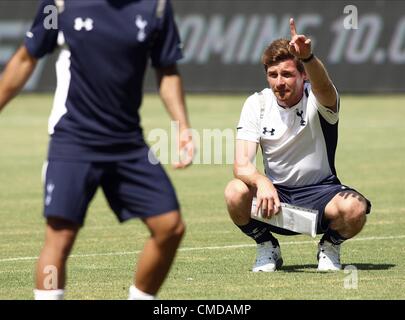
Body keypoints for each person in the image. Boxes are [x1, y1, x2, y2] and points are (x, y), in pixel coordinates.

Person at [0, 0, 194, 299]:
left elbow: (166, 69)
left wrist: (182, 125)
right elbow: (27, 57)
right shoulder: (61, 5)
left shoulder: (155, 7)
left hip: (128, 142)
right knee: (60, 239)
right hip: (74, 140)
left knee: (170, 227)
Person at [224, 18, 371, 272]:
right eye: (273, 75)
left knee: (354, 208)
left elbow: (323, 85)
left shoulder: (318, 99)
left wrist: (309, 57)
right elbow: (241, 164)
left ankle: (330, 246)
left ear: (303, 75)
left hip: (321, 194)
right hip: (275, 199)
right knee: (235, 191)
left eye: (288, 74)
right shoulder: (256, 104)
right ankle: (266, 246)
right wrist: (262, 182)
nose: (279, 82)